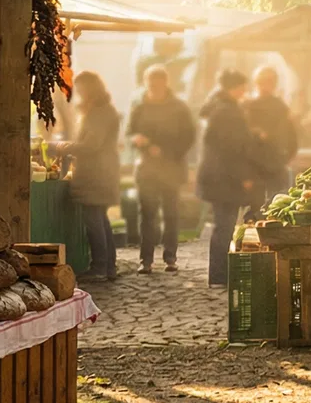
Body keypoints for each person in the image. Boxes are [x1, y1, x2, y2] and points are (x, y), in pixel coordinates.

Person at [126, 66, 195, 274]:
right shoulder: (140, 107)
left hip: (171, 169)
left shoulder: (179, 108)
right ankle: (145, 260)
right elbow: (130, 132)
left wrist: (165, 151)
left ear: (165, 83)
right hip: (147, 169)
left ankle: (170, 258)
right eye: (149, 84)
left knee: (171, 214)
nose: (153, 88)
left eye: (156, 84)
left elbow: (188, 137)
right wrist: (138, 141)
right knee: (147, 214)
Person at [59, 71, 122, 282]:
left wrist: (65, 147)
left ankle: (100, 267)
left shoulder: (99, 113)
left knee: (95, 221)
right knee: (100, 220)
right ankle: (108, 267)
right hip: (101, 173)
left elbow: (92, 145)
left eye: (82, 89)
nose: (80, 93)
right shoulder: (100, 110)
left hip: (97, 174)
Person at [198, 70, 258, 287]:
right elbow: (230, 149)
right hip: (224, 178)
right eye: (243, 86)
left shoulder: (217, 107)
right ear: (234, 87)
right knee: (224, 225)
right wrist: (244, 176)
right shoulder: (226, 111)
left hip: (218, 176)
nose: (245, 91)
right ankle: (220, 275)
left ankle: (219, 274)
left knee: (222, 224)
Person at [243, 66, 298, 206]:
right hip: (254, 165)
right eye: (262, 82)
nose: (265, 85)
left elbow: (290, 135)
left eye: (269, 82)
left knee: (276, 203)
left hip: (274, 163)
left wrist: (287, 156)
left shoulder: (279, 107)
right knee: (255, 207)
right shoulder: (248, 106)